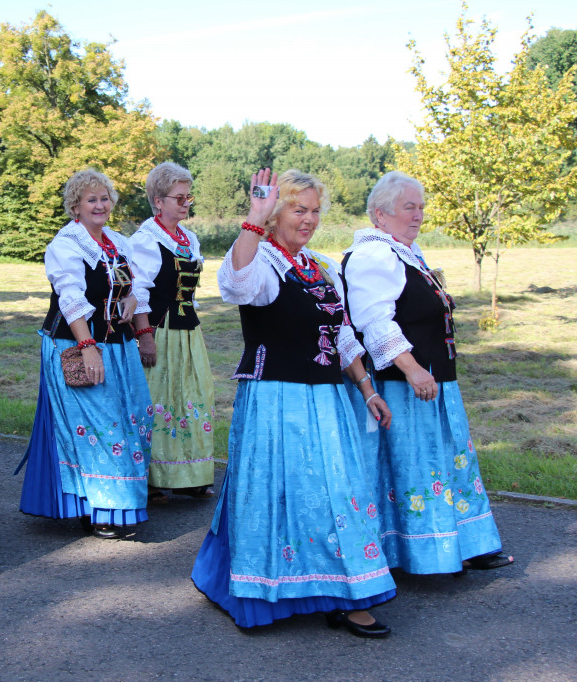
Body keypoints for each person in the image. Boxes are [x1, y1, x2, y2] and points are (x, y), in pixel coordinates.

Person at [191, 169, 397, 637]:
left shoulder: (320, 267)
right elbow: (238, 286)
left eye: (314, 211)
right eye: (298, 209)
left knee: (337, 492)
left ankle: (349, 594)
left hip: (328, 401)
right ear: (276, 212)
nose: (308, 219)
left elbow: (342, 336)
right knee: (275, 494)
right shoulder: (262, 258)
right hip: (275, 400)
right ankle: (266, 591)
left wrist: (367, 389)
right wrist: (254, 217)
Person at [341, 170, 512, 574]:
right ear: (380, 214)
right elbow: (374, 321)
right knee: (416, 465)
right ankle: (422, 551)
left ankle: (465, 544)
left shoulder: (406, 252)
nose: (418, 215)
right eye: (408, 207)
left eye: (420, 207)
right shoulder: (373, 256)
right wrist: (414, 369)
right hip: (402, 386)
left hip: (433, 380)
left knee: (447, 461)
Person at [18, 168, 154, 539]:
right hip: (77, 344)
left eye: (104, 198)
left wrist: (133, 306)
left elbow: (131, 287)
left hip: (118, 345)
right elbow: (71, 297)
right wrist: (87, 346)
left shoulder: (118, 243)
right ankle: (100, 509)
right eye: (91, 199)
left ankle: (115, 500)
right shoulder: (67, 244)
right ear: (75, 206)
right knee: (99, 425)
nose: (100, 205)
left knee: (133, 418)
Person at [128, 162, 216, 504]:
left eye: (188, 197)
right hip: (159, 329)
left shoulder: (188, 238)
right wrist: (144, 334)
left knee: (191, 397)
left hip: (188, 330)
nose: (186, 203)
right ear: (158, 200)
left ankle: (188, 475)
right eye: (179, 198)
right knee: (157, 400)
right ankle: (151, 478)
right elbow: (137, 290)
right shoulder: (146, 240)